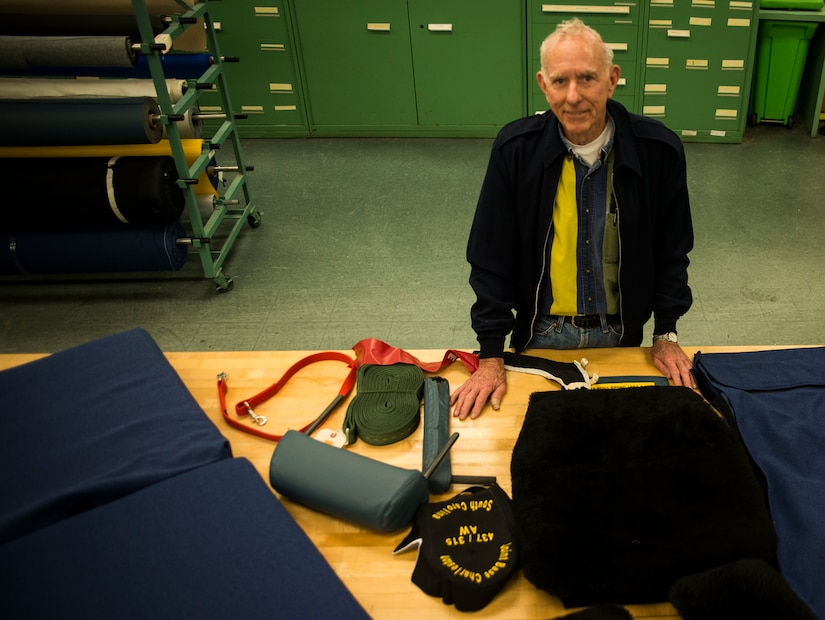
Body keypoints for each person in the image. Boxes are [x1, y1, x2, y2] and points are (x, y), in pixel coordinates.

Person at [450, 18, 695, 420]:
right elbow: (490, 258)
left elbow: (672, 251)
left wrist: (665, 333)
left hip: (622, 335)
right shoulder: (515, 151)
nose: (574, 96)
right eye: (560, 81)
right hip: (539, 337)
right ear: (543, 84)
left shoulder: (659, 152)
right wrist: (491, 354)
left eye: (587, 78)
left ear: (612, 80)